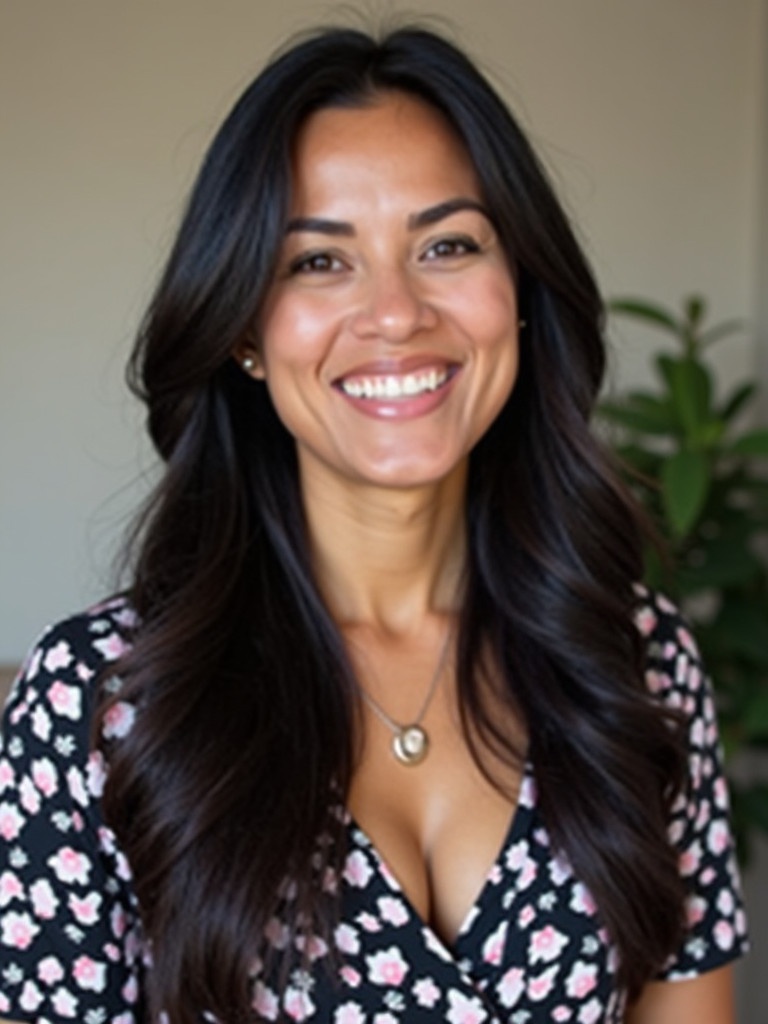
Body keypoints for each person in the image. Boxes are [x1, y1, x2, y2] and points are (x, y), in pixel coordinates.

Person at [0, 24, 748, 1024]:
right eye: (318, 261)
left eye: (447, 245)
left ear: (519, 293)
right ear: (243, 331)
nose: (395, 312)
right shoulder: (98, 702)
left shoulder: (640, 660)